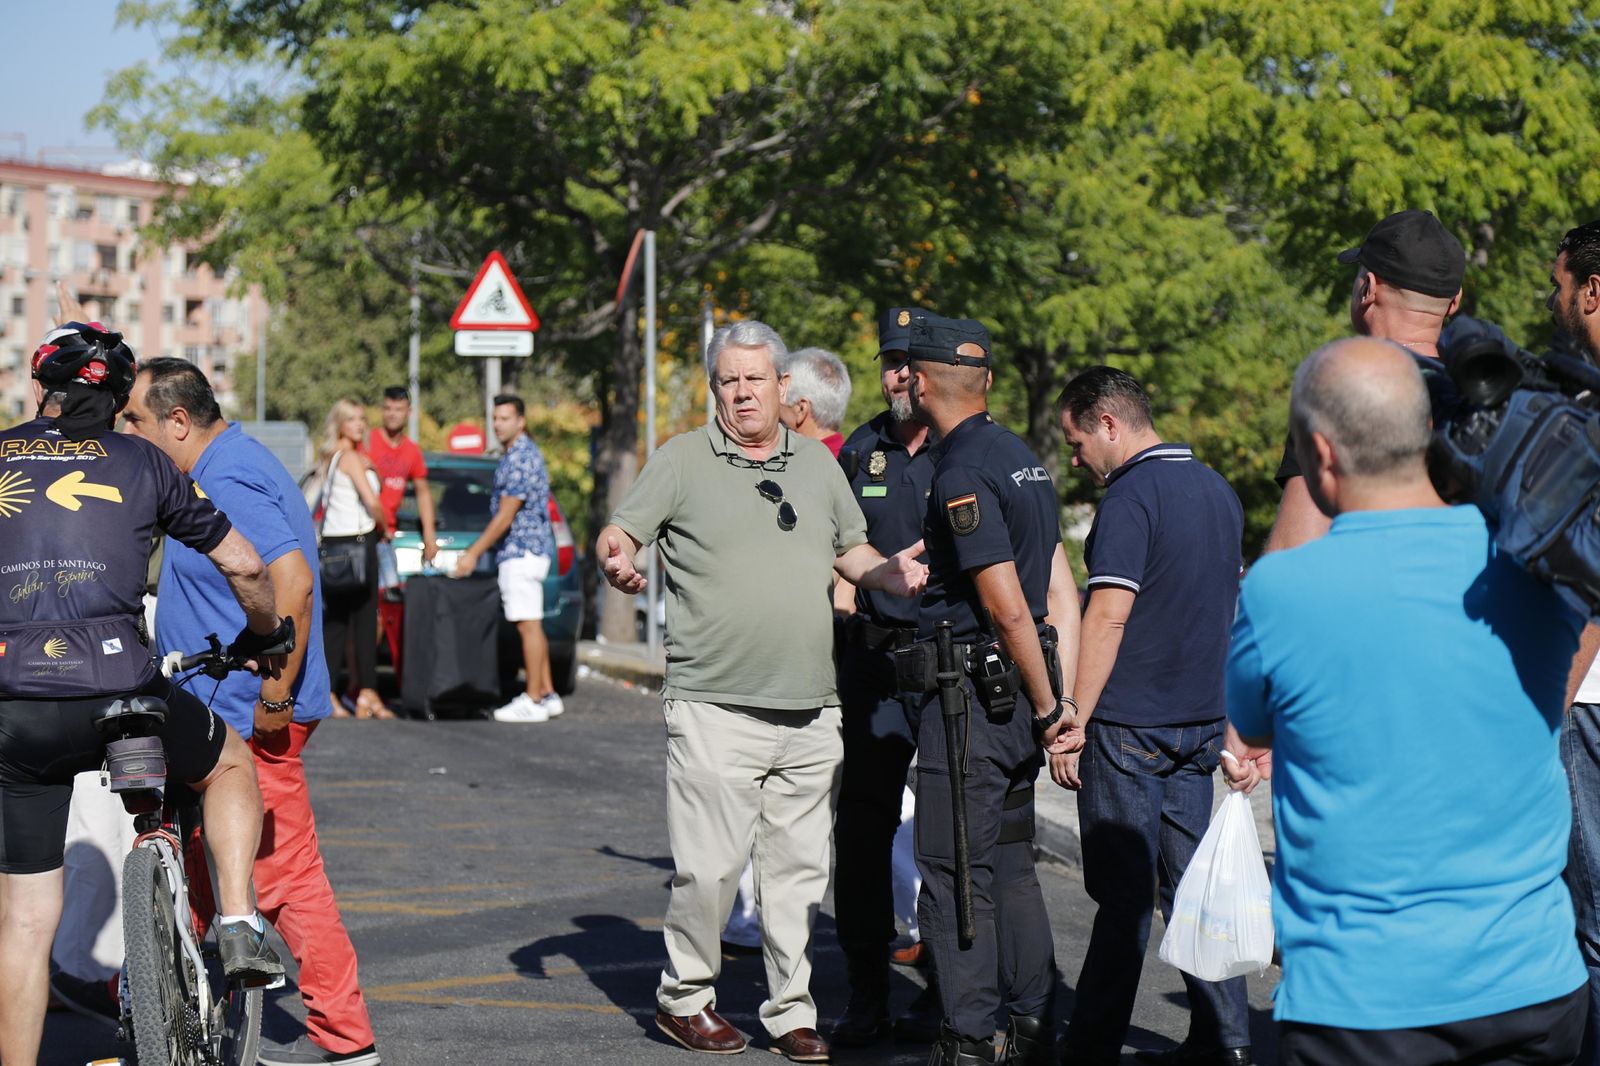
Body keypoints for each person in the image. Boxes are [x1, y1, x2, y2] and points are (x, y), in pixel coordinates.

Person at [1224, 337, 1588, 1065]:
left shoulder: (1277, 593)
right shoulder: (1539, 570)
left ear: (1321, 456)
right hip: (1533, 986)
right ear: (1429, 432)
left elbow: (1252, 723)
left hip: (1361, 1004)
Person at [595, 319, 927, 1063]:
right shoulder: (681, 460)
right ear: (716, 388)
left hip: (811, 707)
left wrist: (886, 572)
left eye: (756, 379)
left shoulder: (817, 465)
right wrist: (616, 556)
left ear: (785, 387)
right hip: (715, 702)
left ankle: (790, 1011)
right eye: (728, 381)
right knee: (710, 869)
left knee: (796, 876)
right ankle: (685, 999)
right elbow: (621, 534)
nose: (743, 393)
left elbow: (850, 547)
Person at [0, 322, 288, 1066]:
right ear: (122, 394)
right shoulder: (147, 463)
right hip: (121, 695)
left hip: (15, 706)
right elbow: (250, 567)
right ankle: (236, 921)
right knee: (226, 763)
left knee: (25, 923)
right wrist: (264, 636)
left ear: (42, 391)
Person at [123, 359, 382, 1066]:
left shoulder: (227, 474)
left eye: (136, 422)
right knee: (217, 870)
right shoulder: (218, 461)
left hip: (248, 711)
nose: (128, 434)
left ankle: (347, 1042)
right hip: (217, 707)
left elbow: (291, 582)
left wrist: (275, 696)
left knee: (287, 877)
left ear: (178, 421)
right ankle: (180, 1017)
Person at [897, 312, 1079, 1066]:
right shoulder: (1019, 455)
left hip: (973, 698)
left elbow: (1006, 603)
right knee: (1007, 862)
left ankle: (969, 1038)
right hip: (1011, 691)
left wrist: (1049, 708)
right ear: (988, 381)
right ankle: (1035, 1014)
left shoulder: (961, 468)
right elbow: (1055, 583)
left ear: (922, 379)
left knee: (950, 869)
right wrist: (1057, 698)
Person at [1054, 366, 1250, 1066]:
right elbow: (1225, 615)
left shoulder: (1132, 497)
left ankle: (1093, 1043)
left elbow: (1107, 615)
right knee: (1195, 891)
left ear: (1109, 423)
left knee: (1124, 898)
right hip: (1198, 721)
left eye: (1077, 442)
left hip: (1130, 725)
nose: (1076, 460)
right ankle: (1225, 1036)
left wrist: (1073, 713)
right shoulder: (1217, 490)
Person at [828, 307, 940, 1046]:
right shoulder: (860, 448)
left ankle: (945, 990)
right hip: (872, 661)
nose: (897, 374)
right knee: (863, 832)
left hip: (946, 665)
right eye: (887, 362)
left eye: (908, 360)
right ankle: (867, 989)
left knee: (946, 834)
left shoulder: (966, 449)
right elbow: (837, 554)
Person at [1263, 209, 1466, 553]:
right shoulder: (1485, 396)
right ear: (1454, 302)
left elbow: (1297, 547)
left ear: (1368, 289)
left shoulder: (1342, 390)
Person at [1549, 219, 1600, 1065]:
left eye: (1559, 285)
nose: (1556, 300)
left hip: (1590, 699)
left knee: (1594, 921)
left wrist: (1548, 707)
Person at [453, 394, 561, 723]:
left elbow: (505, 516)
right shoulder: (518, 454)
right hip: (530, 551)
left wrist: (473, 553)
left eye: (505, 418)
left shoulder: (520, 458)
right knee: (533, 624)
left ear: (520, 421)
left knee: (526, 625)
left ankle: (532, 697)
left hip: (521, 551)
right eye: (495, 418)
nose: (498, 425)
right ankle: (547, 693)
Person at [314, 399, 392, 720]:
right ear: (341, 424)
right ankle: (367, 693)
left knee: (335, 623)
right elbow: (373, 503)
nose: (360, 424)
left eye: (362, 419)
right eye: (353, 420)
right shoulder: (351, 458)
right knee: (363, 621)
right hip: (358, 546)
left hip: (334, 547)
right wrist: (385, 529)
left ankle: (333, 694)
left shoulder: (334, 459)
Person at [369, 385, 437, 669]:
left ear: (408, 413)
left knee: (389, 611)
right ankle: (361, 683)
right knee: (370, 613)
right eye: (388, 408)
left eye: (398, 409)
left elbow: (422, 492)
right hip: (364, 537)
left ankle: (383, 679)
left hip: (387, 542)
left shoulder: (411, 451)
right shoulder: (368, 441)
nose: (392, 415)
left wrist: (430, 537)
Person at [778, 346, 851, 457]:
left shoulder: (804, 469)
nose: (774, 417)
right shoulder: (855, 462)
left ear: (800, 409)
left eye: (779, 408)